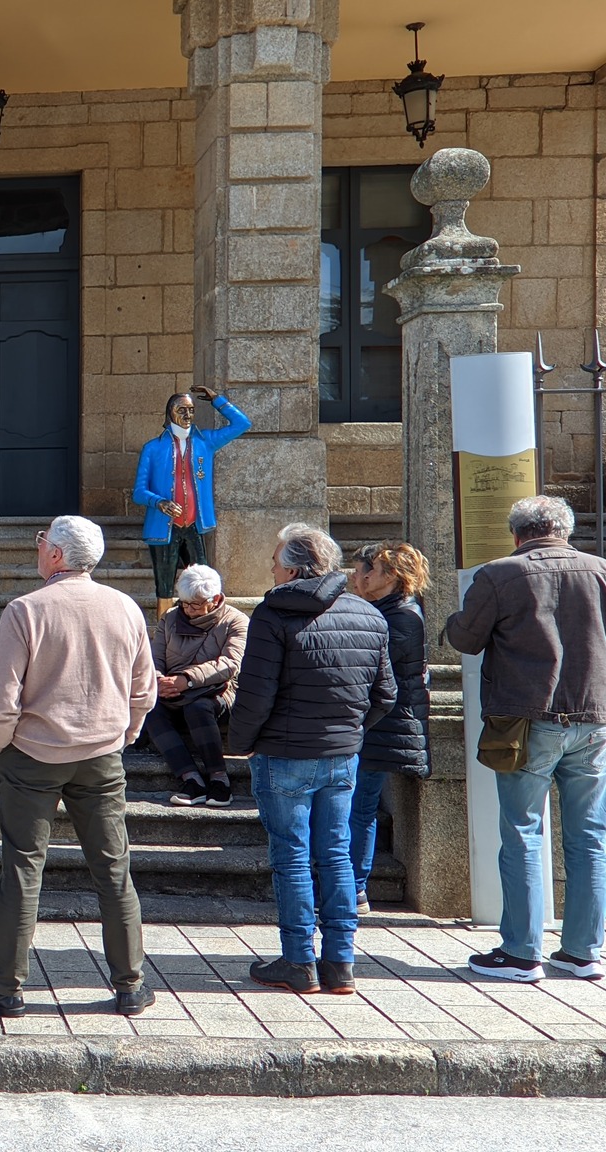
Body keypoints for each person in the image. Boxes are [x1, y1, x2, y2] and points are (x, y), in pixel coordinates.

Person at [446, 496, 606, 983]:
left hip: (526, 722)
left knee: (522, 832)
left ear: (517, 534)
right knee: (588, 840)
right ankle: (583, 952)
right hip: (593, 725)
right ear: (565, 531)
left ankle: (522, 952)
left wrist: (450, 622)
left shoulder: (499, 574)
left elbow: (466, 639)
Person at [0, 516, 156, 1019]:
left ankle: (6, 987)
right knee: (113, 869)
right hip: (100, 753)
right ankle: (130, 984)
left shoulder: (25, 610)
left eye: (41, 542)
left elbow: (2, 696)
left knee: (23, 868)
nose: (38, 549)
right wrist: (126, 733)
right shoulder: (125, 607)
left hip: (32, 752)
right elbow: (144, 688)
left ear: (55, 556)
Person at [228, 524, 394, 997]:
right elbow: (386, 694)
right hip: (342, 754)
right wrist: (351, 730)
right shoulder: (367, 613)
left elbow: (255, 696)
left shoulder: (272, 613)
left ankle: (299, 961)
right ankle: (340, 962)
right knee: (336, 855)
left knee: (293, 858)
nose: (271, 568)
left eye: (276, 560)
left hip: (283, 755)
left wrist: (240, 743)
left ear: (297, 567)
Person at [345, 541, 432, 912]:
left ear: (392, 576)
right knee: (355, 805)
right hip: (376, 724)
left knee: (359, 807)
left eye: (372, 571)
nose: (364, 576)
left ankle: (355, 888)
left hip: (384, 725)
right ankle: (350, 884)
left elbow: (373, 672)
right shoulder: (385, 609)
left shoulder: (403, 617)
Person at [132, 384, 252, 618]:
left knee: (202, 582)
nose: (187, 415)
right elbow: (138, 491)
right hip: (164, 526)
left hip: (194, 525)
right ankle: (164, 630)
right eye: (181, 410)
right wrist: (159, 502)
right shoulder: (153, 448)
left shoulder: (205, 441)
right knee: (164, 585)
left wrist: (217, 400)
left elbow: (242, 424)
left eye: (191, 410)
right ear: (170, 412)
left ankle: (203, 623)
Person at [143, 564, 249, 808]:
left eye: (196, 604)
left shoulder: (236, 621)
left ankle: (219, 778)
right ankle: (190, 778)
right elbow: (155, 656)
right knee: (150, 707)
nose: (189, 610)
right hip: (171, 694)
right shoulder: (170, 617)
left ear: (216, 599)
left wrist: (186, 680)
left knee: (198, 707)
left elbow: (231, 664)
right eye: (185, 604)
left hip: (218, 694)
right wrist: (159, 680)